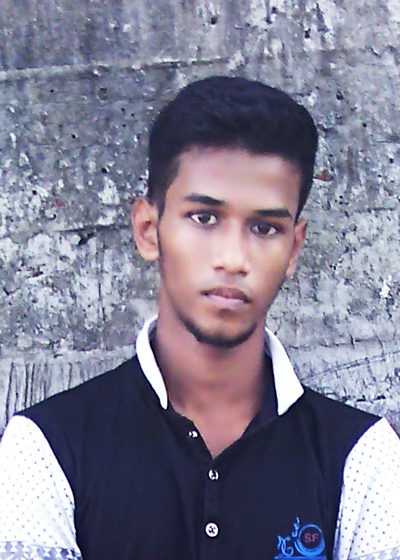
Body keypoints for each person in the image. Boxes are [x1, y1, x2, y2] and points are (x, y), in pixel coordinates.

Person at [0, 76, 399, 560]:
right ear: (149, 230)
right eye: (204, 218)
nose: (233, 258)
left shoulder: (362, 458)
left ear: (294, 248)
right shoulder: (45, 450)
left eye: (264, 228)